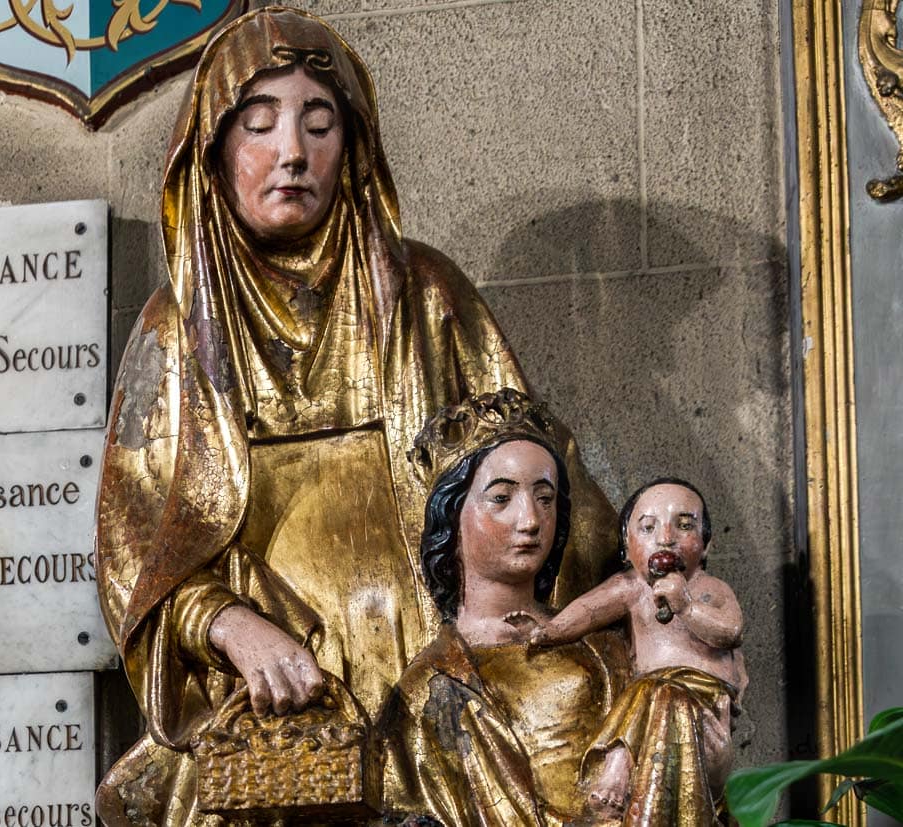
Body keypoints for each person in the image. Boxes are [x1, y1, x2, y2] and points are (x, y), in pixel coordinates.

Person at [94, 8, 618, 824]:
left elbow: (548, 485)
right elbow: (134, 554)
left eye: (319, 123)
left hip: (440, 684)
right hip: (276, 712)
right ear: (214, 151)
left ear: (354, 145)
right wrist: (231, 627)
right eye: (259, 125)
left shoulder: (426, 295)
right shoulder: (177, 332)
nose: (292, 152)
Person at [380, 390, 629, 827]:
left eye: (545, 499)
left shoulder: (607, 654)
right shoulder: (426, 690)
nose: (530, 520)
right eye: (501, 498)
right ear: (452, 518)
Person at [529, 478, 747, 823]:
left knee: (659, 691)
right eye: (648, 527)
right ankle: (618, 766)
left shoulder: (709, 589)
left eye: (684, 525)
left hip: (703, 713)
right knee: (652, 690)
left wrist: (687, 607)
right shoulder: (631, 588)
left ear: (706, 546)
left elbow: (731, 631)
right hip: (651, 712)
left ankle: (618, 767)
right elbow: (588, 611)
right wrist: (549, 631)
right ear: (626, 548)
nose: (666, 538)